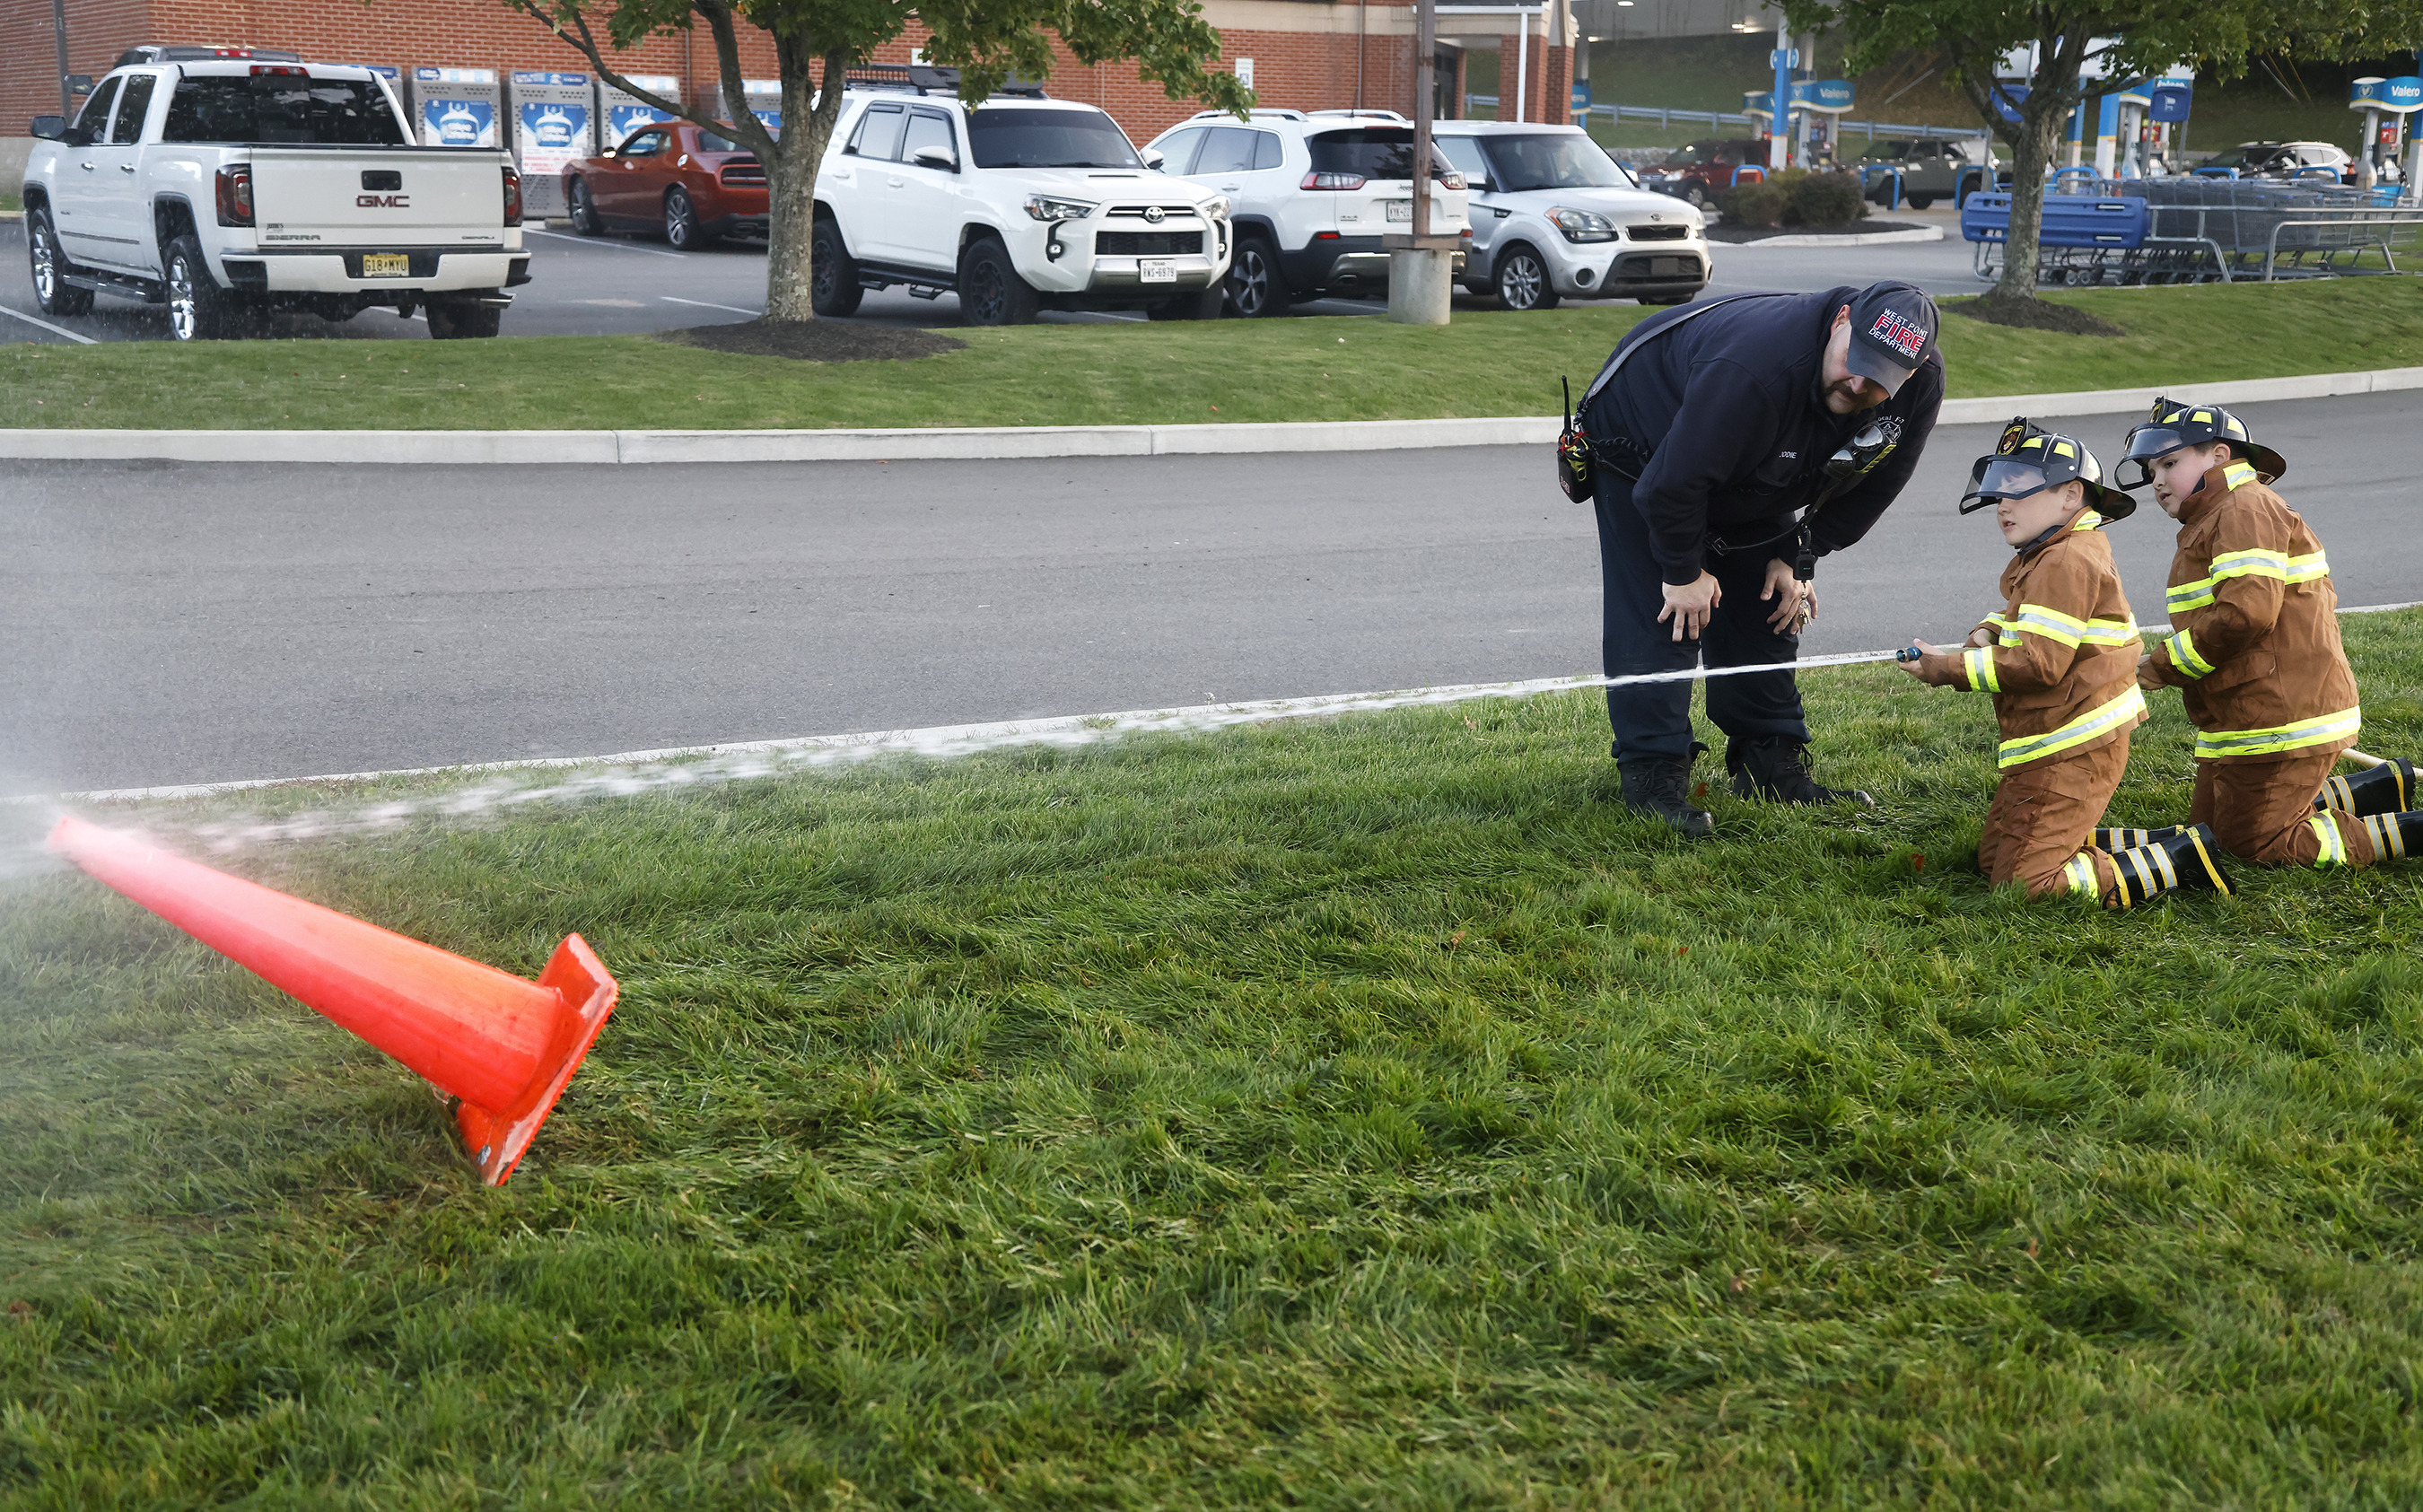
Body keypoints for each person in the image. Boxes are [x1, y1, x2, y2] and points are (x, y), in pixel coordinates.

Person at [1578, 282, 1946, 838]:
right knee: (1666, 613)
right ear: (1840, 320)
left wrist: (1798, 554)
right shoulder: (1755, 368)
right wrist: (1683, 573)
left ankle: (1769, 765)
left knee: (1769, 601)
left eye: (1881, 379)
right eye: (1855, 361)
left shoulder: (1916, 383)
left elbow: (1882, 480)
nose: (1859, 382)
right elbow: (1669, 489)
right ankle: (1653, 777)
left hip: (1754, 454)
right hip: (1642, 443)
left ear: (1912, 373)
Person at [1897, 422, 2231, 905]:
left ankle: (2182, 859)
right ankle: (2156, 841)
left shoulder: (2064, 559)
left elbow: (2038, 665)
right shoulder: (2050, 552)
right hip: (2051, 742)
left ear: (2071, 494)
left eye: (2018, 489)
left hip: (2076, 746)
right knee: (1994, 860)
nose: (2002, 505)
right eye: (1997, 494)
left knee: (2023, 886)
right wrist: (1988, 630)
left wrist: (1946, 669)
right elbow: (2033, 617)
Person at [2104, 398, 2423, 870]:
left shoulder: (2243, 508)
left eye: (2170, 463)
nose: (2157, 480)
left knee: (2256, 843)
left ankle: (2410, 831)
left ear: (2219, 455)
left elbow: (2244, 614)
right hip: (2249, 714)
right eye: (2152, 470)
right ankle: (2380, 789)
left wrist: (2162, 665)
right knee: (2211, 833)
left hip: (2282, 717)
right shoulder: (2221, 513)